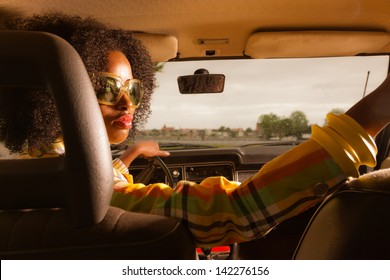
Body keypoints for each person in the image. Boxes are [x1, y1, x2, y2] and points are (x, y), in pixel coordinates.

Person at [1, 13, 389, 248]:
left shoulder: (37, 172)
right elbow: (235, 210)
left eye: (134, 90)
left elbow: (99, 183)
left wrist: (128, 157)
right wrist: (376, 109)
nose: (128, 104)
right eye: (106, 87)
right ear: (52, 94)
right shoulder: (90, 194)